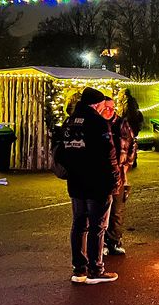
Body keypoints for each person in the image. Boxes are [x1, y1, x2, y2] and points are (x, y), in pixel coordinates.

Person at [56, 87, 120, 284]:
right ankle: (95, 269)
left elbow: (61, 152)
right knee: (97, 226)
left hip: (76, 181)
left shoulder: (69, 122)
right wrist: (115, 179)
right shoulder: (98, 122)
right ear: (97, 104)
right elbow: (107, 154)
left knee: (79, 224)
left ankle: (79, 268)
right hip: (97, 181)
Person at [101, 97, 137, 256]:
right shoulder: (97, 124)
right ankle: (100, 244)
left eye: (112, 108)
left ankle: (114, 241)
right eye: (106, 108)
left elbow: (132, 146)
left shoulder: (122, 124)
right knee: (100, 210)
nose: (109, 111)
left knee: (117, 210)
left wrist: (126, 166)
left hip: (119, 174)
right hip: (101, 173)